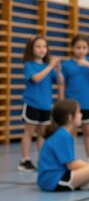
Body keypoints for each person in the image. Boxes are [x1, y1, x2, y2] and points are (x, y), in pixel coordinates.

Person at [37, 99, 89, 192]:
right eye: (79, 112)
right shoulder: (62, 135)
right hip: (54, 181)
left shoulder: (62, 134)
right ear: (70, 117)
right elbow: (71, 165)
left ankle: (88, 182)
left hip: (53, 178)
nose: (81, 115)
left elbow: (70, 163)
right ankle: (88, 182)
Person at [19, 36, 64, 172]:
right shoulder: (29, 65)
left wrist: (57, 69)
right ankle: (25, 160)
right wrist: (50, 66)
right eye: (38, 46)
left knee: (42, 133)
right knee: (29, 132)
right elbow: (36, 79)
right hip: (32, 104)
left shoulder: (47, 67)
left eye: (44, 46)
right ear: (31, 49)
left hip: (46, 105)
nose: (42, 49)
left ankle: (42, 158)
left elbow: (60, 81)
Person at [62, 34, 89, 162]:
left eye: (84, 48)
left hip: (88, 104)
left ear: (88, 49)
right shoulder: (67, 65)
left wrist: (88, 65)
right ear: (72, 48)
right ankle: (70, 158)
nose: (81, 50)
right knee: (70, 132)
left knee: (88, 131)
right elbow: (61, 83)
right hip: (72, 105)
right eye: (78, 47)